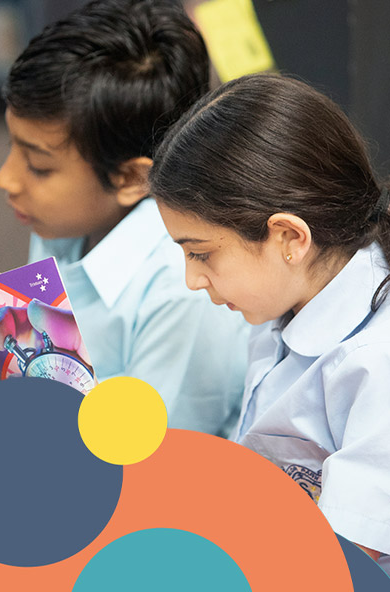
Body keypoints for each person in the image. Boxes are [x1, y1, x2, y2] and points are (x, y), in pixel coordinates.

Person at [149, 71, 390, 565]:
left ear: (289, 238)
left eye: (201, 254)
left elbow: (346, 563)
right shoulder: (281, 303)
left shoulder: (375, 362)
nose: (192, 280)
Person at [0, 0, 248, 436]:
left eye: (38, 165)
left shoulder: (184, 291)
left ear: (131, 177)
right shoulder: (60, 223)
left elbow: (147, 462)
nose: (6, 179)